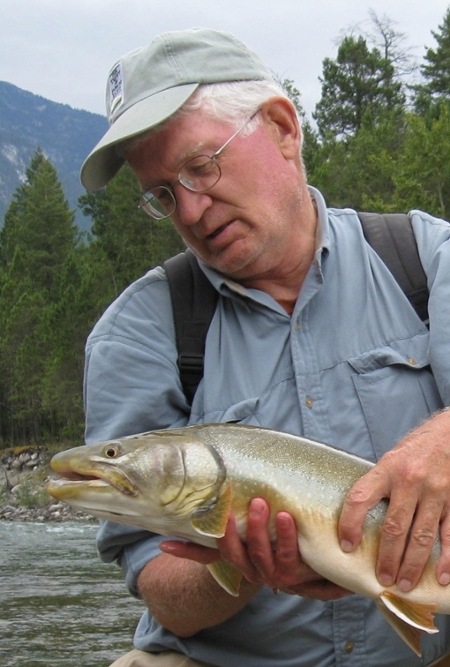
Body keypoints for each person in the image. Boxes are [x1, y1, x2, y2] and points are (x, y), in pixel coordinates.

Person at [80, 27, 450, 667]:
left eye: (201, 166)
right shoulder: (136, 332)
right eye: (164, 194)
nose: (191, 211)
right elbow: (161, 591)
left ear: (283, 128)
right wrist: (233, 563)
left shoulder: (427, 261)